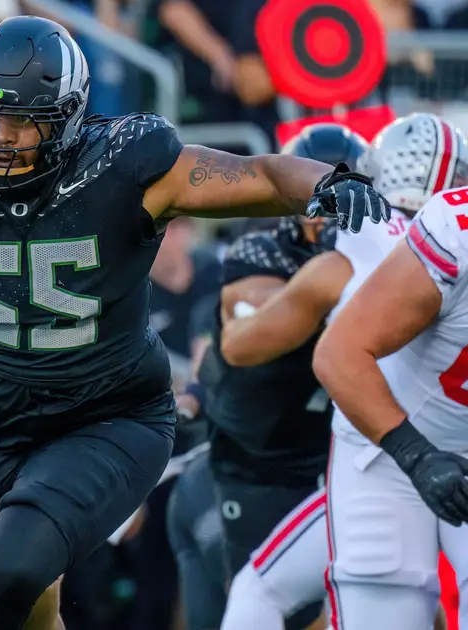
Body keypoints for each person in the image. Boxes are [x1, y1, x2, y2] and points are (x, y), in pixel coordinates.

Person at [0, 15, 387, 629]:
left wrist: (325, 180)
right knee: (24, 609)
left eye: (20, 121)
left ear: (67, 120)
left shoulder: (122, 166)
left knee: (9, 575)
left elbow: (258, 174)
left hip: (105, 416)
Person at [216, 113, 468, 630]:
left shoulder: (351, 250)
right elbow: (247, 346)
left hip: (375, 455)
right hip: (344, 457)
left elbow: (239, 339)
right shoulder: (384, 243)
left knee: (262, 589)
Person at [187, 124, 366, 630]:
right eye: (324, 199)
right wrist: (335, 281)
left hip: (331, 462)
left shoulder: (378, 255)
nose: (333, 217)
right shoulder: (262, 248)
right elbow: (251, 334)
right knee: (270, 605)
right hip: (257, 465)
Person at [313, 177, 468, 627]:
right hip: (386, 447)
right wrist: (416, 456)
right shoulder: (456, 233)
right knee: (384, 607)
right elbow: (339, 353)